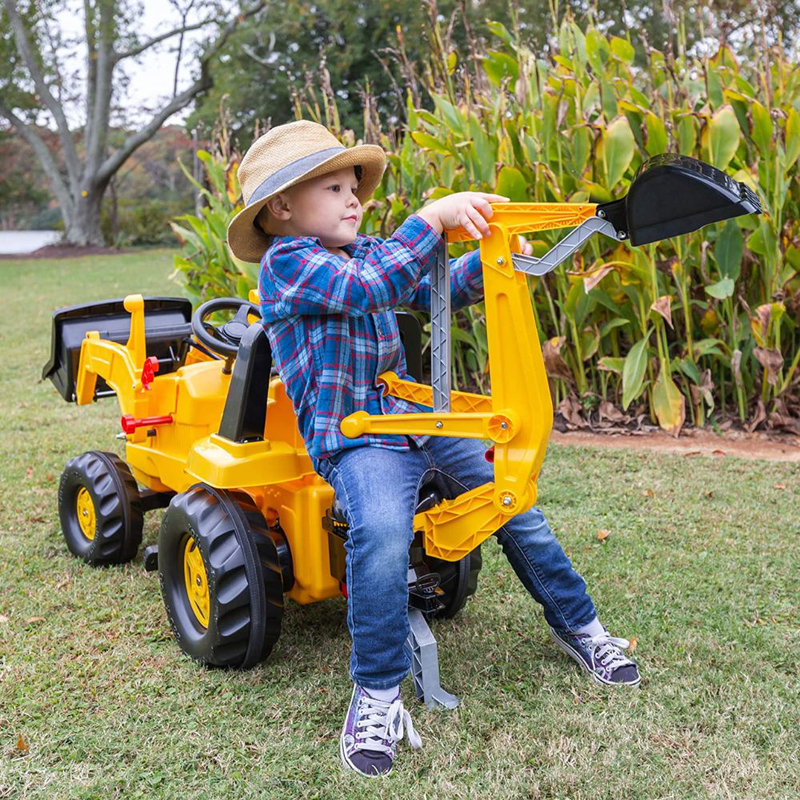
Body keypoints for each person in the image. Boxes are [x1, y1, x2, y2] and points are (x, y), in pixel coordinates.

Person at [226, 120, 640, 779]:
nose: (354, 198)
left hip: (422, 420)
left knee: (514, 503)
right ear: (281, 209)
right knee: (383, 532)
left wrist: (496, 256)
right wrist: (429, 218)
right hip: (361, 443)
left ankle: (581, 628)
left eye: (354, 185)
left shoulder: (365, 254)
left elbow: (428, 286)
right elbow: (374, 290)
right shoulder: (289, 267)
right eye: (333, 188)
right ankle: (379, 692)